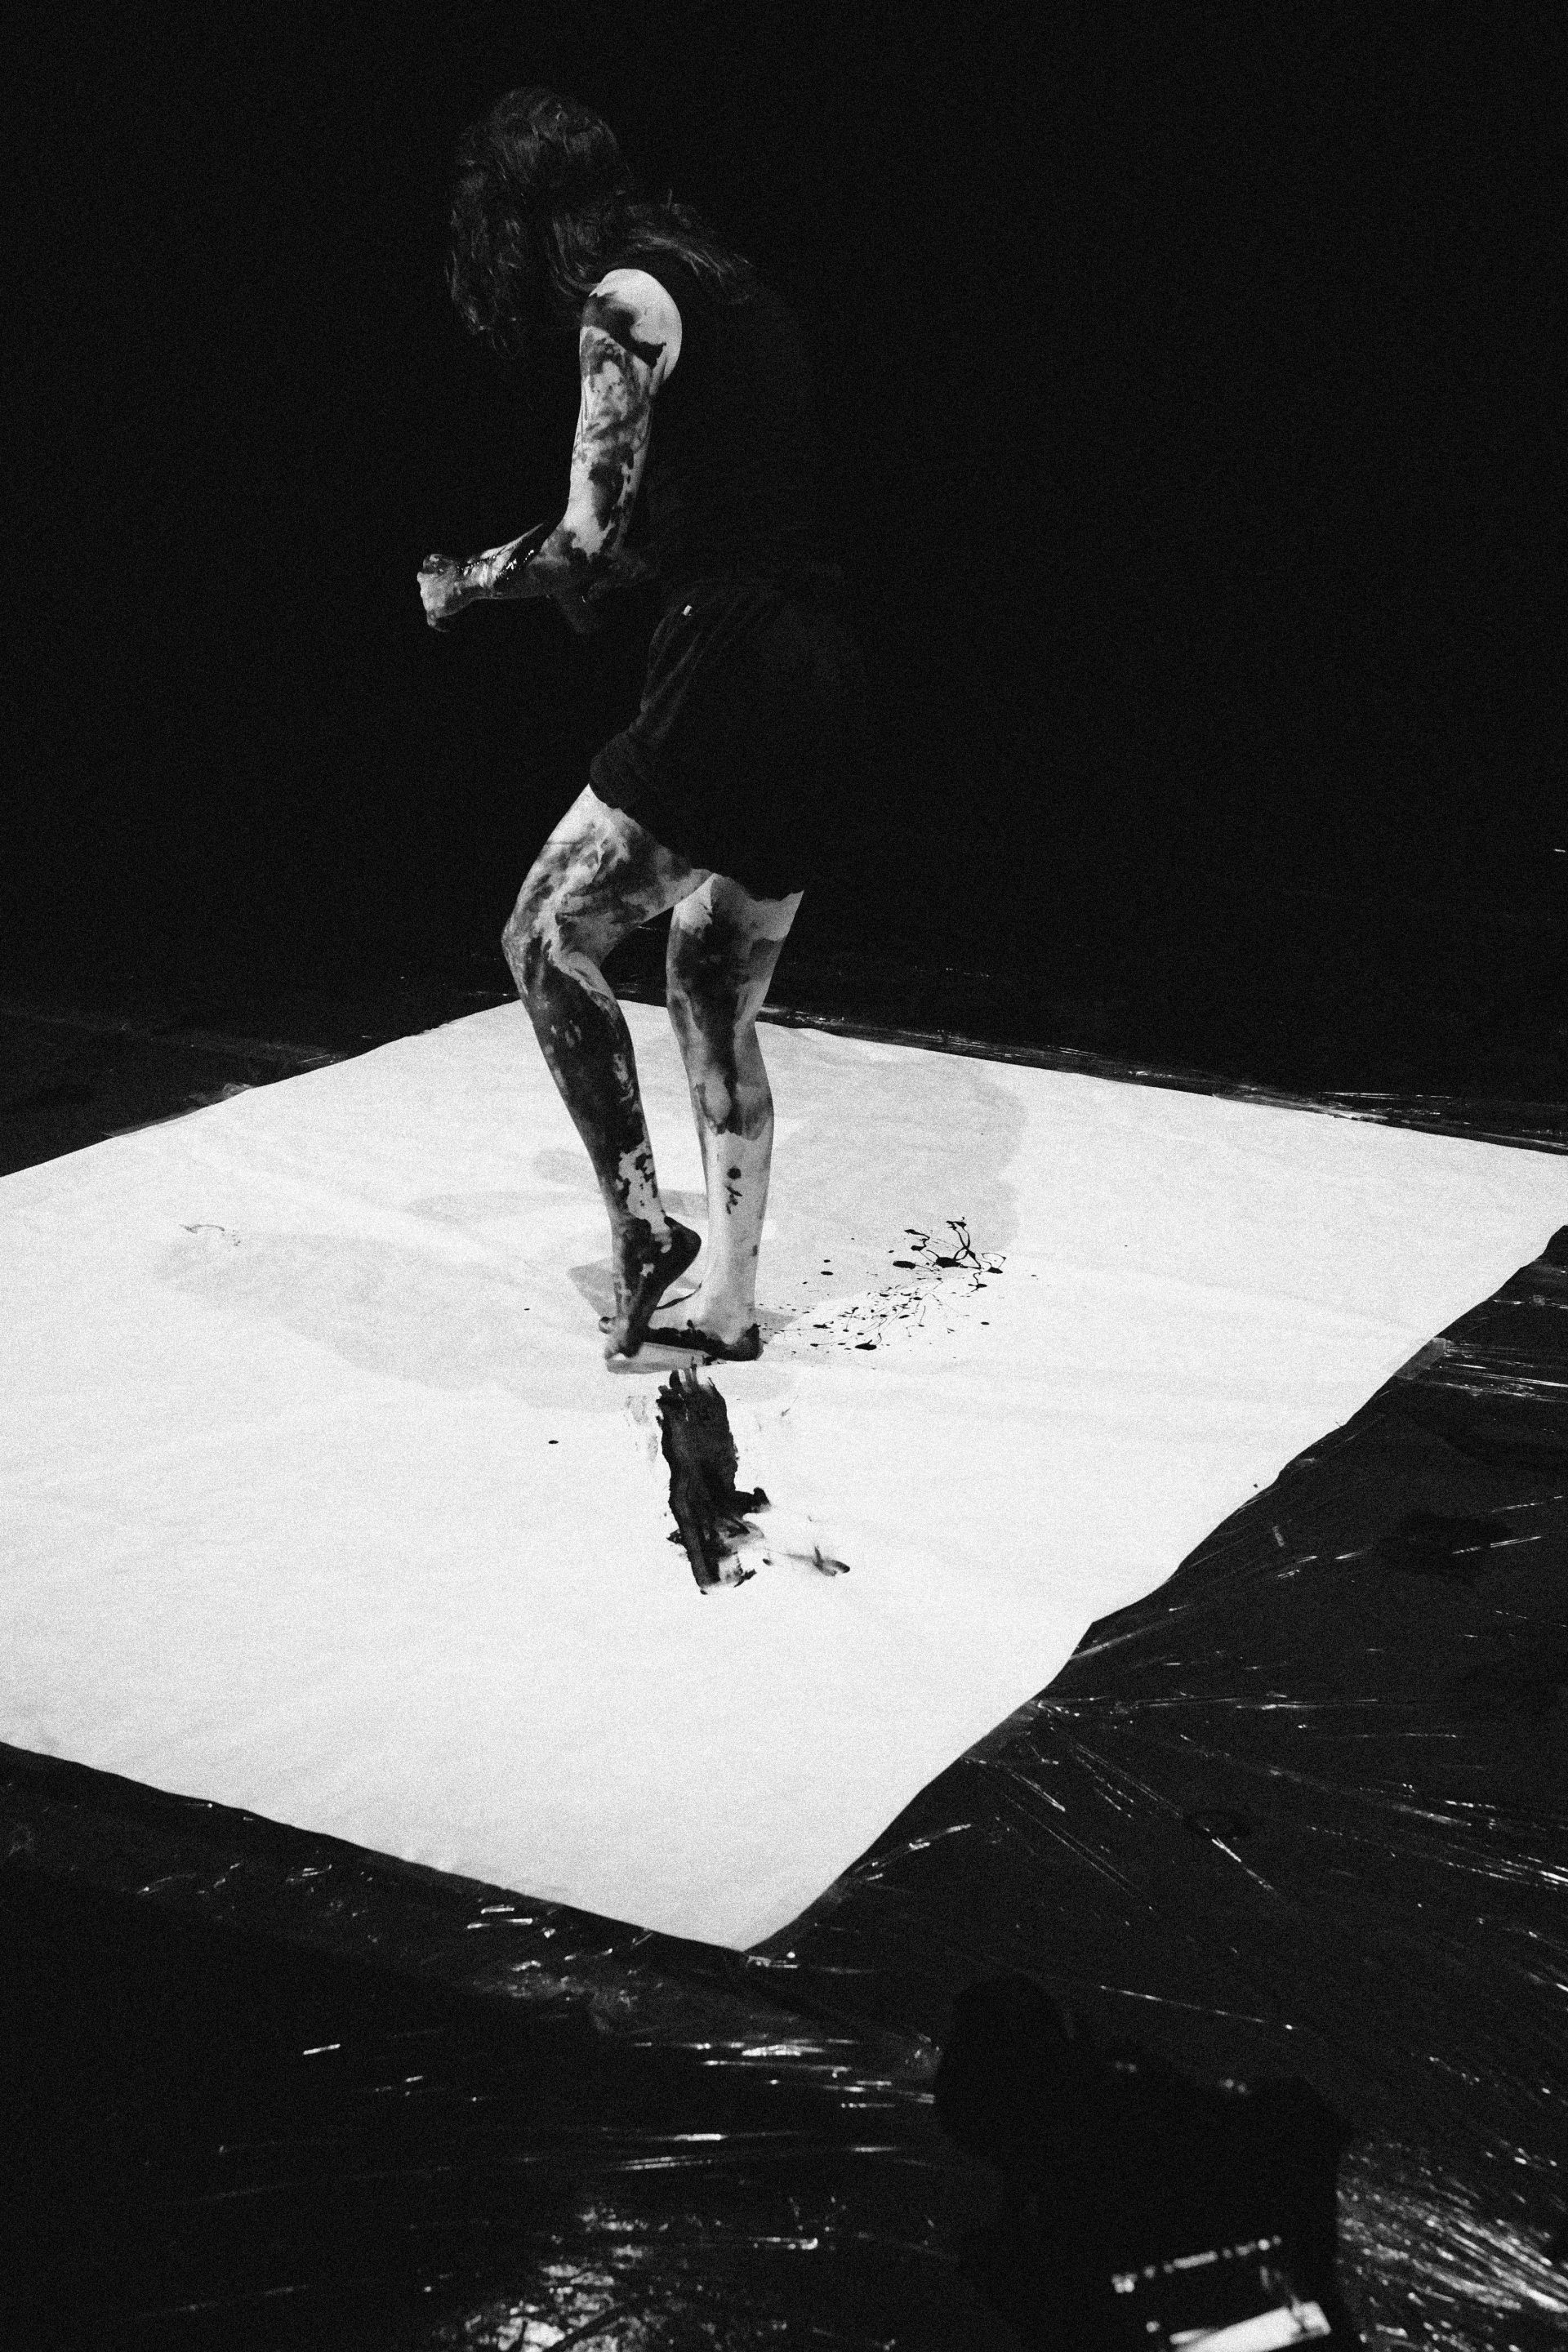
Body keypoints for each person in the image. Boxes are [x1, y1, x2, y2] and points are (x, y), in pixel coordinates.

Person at [418, 88, 866, 1363]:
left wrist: (468, 581)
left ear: (519, 221)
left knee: (544, 934)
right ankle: (728, 1307)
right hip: (818, 665)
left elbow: (585, 536)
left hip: (734, 665)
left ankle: (641, 1226)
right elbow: (703, 514)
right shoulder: (724, 287)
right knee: (708, 987)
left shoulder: (621, 306)